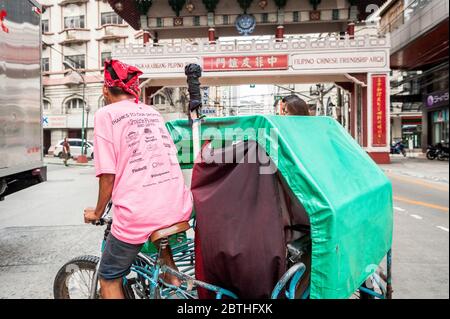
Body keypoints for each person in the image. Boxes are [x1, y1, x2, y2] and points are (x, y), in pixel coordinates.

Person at [83, 59, 193, 299]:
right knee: (163, 256)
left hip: (141, 211)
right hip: (178, 204)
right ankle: (173, 283)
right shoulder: (152, 112)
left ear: (105, 89)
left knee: (109, 277)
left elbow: (108, 176)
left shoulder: (106, 114)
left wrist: (98, 212)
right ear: (135, 90)